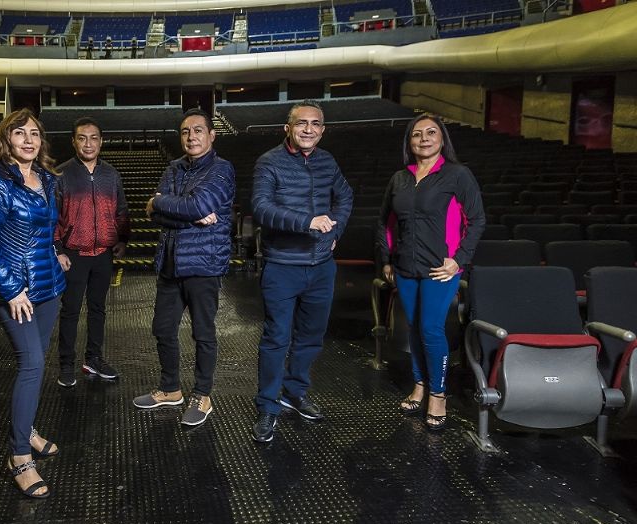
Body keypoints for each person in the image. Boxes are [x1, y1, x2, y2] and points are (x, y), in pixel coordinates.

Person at [0, 109, 66, 498]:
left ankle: (27, 429)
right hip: (18, 294)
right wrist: (10, 289)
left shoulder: (44, 178)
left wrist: (55, 251)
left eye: (35, 134)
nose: (29, 139)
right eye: (20, 133)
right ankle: (20, 456)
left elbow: (42, 229)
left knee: (38, 363)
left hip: (49, 288)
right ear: (5, 140)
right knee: (32, 365)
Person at [250, 100, 354, 443]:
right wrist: (308, 223)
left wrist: (335, 232)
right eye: (301, 123)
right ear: (288, 128)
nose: (308, 129)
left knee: (310, 337)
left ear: (322, 130)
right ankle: (268, 405)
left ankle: (294, 391)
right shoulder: (269, 162)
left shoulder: (328, 161)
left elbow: (345, 196)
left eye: (315, 124)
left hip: (322, 268)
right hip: (282, 266)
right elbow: (262, 209)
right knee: (276, 338)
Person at [376, 113, 485, 431]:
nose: (423, 138)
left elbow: (477, 220)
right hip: (405, 268)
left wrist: (458, 260)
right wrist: (386, 259)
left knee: (431, 329)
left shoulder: (457, 175)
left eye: (431, 132)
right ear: (409, 142)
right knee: (413, 329)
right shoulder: (400, 178)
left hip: (440, 269)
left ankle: (438, 394)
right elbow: (385, 222)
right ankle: (420, 384)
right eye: (416, 134)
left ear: (442, 139)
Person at [132, 108, 235, 427]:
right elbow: (156, 214)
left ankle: (202, 395)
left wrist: (162, 203)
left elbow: (196, 205)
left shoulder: (222, 169)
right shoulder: (174, 168)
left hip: (203, 265)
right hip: (170, 262)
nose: (191, 137)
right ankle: (170, 389)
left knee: (203, 333)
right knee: (162, 329)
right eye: (185, 132)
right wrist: (180, 211)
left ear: (211, 135)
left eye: (198, 131)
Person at [55, 117, 130, 386]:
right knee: (71, 310)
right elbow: (53, 217)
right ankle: (66, 364)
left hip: (103, 254)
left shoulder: (111, 174)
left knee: (98, 309)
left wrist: (122, 238)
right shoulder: (60, 174)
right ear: (73, 141)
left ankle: (93, 359)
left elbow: (121, 210)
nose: (89, 143)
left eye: (94, 137)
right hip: (73, 255)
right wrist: (58, 249)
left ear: (101, 141)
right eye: (82, 138)